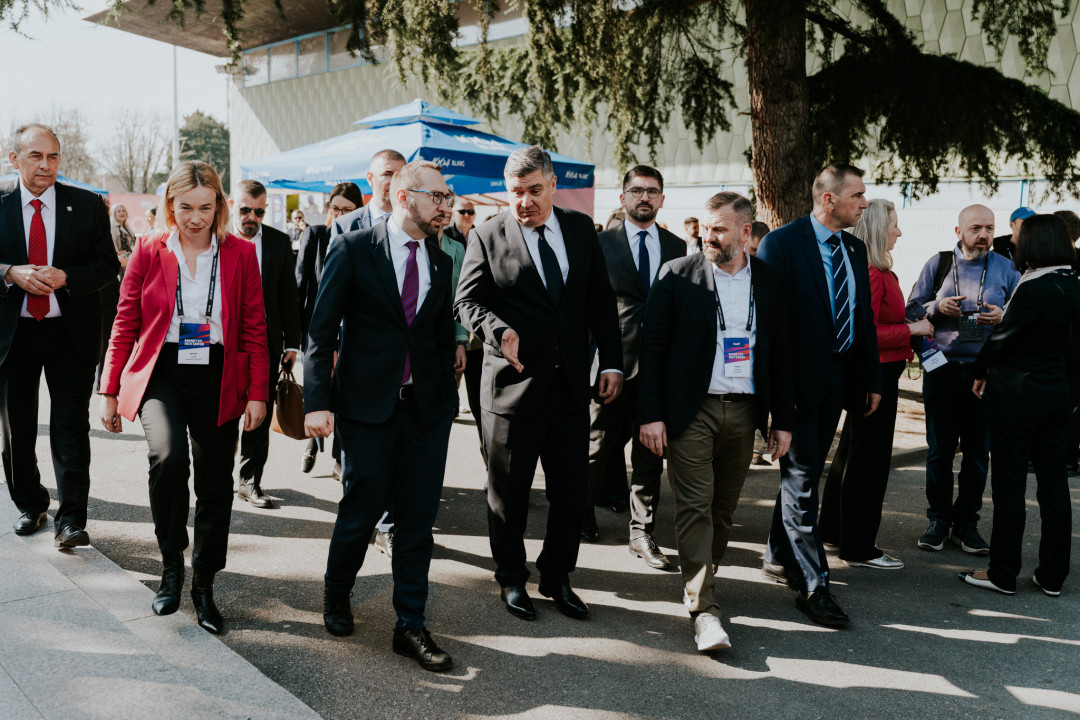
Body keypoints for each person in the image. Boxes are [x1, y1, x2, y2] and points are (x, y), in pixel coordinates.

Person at [99, 160, 269, 634]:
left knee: (215, 483)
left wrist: (258, 393)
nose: (195, 218)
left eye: (205, 208)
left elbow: (255, 328)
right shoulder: (148, 249)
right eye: (185, 207)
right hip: (163, 371)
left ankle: (204, 583)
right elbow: (125, 321)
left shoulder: (239, 253)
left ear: (219, 207)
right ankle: (171, 564)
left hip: (219, 373)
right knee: (168, 458)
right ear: (170, 205)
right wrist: (109, 389)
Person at [456, 145, 622, 622]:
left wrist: (611, 363)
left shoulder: (579, 229)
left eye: (533, 190)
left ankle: (557, 576)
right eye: (515, 192)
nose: (524, 201)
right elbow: (466, 303)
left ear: (552, 184)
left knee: (571, 491)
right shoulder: (487, 234)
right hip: (511, 390)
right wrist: (497, 330)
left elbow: (600, 302)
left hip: (570, 387)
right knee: (509, 494)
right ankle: (511, 578)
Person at [305, 160, 458, 673]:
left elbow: (440, 339)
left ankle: (410, 624)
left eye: (447, 197)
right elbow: (321, 331)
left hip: (426, 411)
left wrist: (446, 403)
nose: (445, 206)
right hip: (367, 408)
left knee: (416, 520)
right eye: (437, 197)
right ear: (405, 197)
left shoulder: (440, 260)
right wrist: (317, 402)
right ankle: (337, 593)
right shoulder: (353, 248)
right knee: (361, 509)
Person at [639, 191, 794, 652]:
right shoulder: (677, 275)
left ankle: (703, 576)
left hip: (745, 411)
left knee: (723, 509)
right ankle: (704, 610)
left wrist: (783, 420)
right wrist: (651, 415)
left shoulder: (771, 280)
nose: (708, 236)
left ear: (745, 232)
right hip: (692, 411)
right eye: (706, 228)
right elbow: (652, 349)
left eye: (720, 229)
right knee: (694, 506)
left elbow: (781, 354)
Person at [757, 163, 882, 627]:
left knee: (802, 476)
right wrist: (776, 397)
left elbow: (862, 317)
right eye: (858, 195)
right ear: (829, 199)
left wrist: (871, 379)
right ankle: (814, 587)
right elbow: (769, 326)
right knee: (804, 483)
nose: (864, 203)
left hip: (838, 385)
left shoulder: (853, 247)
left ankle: (777, 554)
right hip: (794, 389)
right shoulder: (781, 244)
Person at [1, 124, 119, 546]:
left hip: (70, 333)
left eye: (52, 157)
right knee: (17, 428)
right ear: (14, 158)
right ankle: (31, 505)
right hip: (13, 335)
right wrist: (9, 273)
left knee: (70, 427)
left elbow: (108, 266)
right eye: (35, 156)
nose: (45, 165)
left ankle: (71, 520)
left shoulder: (86, 205)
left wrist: (67, 276)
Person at [962, 214, 1079, 597]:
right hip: (1058, 396)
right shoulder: (1073, 284)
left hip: (1017, 396)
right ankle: (1052, 576)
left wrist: (980, 369)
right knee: (1054, 486)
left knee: (1009, 486)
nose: (1014, 243)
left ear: (1036, 245)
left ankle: (1003, 573)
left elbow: (1004, 339)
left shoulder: (1035, 287)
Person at [818, 200, 934, 570]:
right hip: (876, 376)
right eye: (893, 225)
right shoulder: (871, 272)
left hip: (879, 373)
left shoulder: (876, 270)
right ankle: (858, 546)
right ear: (877, 230)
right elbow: (862, 332)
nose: (899, 232)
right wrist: (911, 329)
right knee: (868, 461)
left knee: (852, 455)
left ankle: (834, 531)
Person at [582, 164, 684, 566]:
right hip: (611, 366)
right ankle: (579, 515)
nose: (645, 197)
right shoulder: (599, 244)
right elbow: (585, 306)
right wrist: (596, 361)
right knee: (594, 448)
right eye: (637, 190)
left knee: (650, 454)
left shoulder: (677, 246)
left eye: (652, 191)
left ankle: (641, 533)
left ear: (662, 199)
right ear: (622, 197)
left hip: (658, 370)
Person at [907, 204, 1019, 554]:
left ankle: (966, 524)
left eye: (989, 228)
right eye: (975, 229)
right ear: (959, 232)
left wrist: (1003, 316)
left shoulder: (1006, 267)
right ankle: (938, 521)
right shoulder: (938, 264)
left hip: (985, 374)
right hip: (941, 369)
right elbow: (911, 309)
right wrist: (936, 308)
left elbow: (1022, 313)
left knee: (977, 454)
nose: (983, 235)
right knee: (940, 451)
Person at [230, 180, 302, 509]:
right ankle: (218, 474)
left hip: (266, 341)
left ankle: (249, 480)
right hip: (222, 340)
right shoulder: (215, 238)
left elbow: (289, 296)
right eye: (246, 209)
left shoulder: (278, 241)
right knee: (221, 410)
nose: (252, 217)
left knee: (259, 410)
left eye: (259, 212)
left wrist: (292, 344)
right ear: (233, 205)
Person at [297, 182, 362, 479]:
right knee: (321, 388)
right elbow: (301, 284)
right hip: (319, 330)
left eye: (347, 210)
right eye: (335, 208)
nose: (339, 214)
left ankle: (339, 457)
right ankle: (313, 441)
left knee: (344, 394)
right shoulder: (316, 234)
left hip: (352, 331)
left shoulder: (363, 238)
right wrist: (298, 336)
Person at [98, 203, 136, 389]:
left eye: (123, 210)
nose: (121, 213)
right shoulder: (110, 228)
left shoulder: (127, 228)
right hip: (114, 281)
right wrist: (120, 261)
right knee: (112, 334)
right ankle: (105, 382)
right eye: (118, 211)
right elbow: (112, 255)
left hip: (125, 278)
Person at [333, 149, 407, 236]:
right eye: (387, 174)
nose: (394, 181)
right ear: (370, 178)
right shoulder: (344, 225)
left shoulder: (417, 223)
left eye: (400, 175)